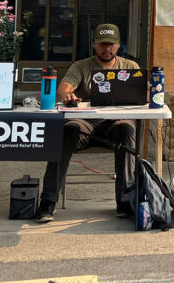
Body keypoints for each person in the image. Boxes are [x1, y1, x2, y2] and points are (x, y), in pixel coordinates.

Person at [35, 23, 140, 223]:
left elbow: (143, 93)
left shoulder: (130, 67)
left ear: (119, 45)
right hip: (85, 125)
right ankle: (48, 202)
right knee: (66, 131)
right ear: (93, 44)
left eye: (111, 44)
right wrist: (68, 96)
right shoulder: (81, 66)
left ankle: (125, 201)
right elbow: (64, 88)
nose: (106, 48)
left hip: (115, 125)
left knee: (127, 129)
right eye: (102, 44)